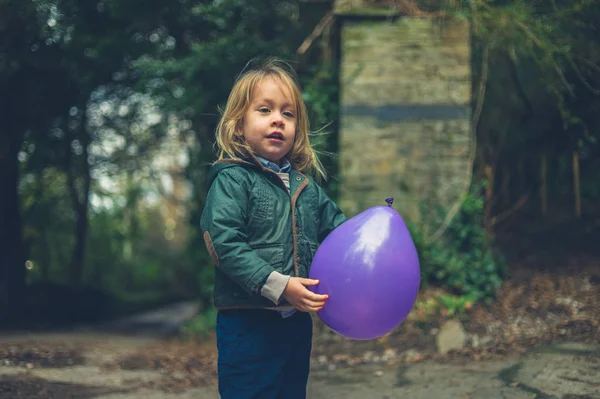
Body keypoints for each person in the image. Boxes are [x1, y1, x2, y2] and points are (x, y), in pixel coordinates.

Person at [200, 57, 346, 399]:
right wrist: (280, 286)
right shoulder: (232, 179)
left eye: (288, 113)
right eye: (264, 110)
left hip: (295, 325)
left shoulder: (306, 188)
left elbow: (340, 234)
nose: (278, 119)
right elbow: (224, 243)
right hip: (248, 324)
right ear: (239, 124)